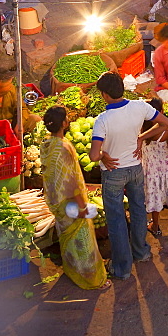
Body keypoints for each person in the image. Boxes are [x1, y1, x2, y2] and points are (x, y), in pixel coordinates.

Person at [89, 71, 168, 280]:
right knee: (137, 210)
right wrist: (141, 138)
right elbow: (166, 123)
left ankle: (122, 268)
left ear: (105, 95)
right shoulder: (139, 106)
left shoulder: (102, 120)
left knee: (116, 219)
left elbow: (92, 155)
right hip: (136, 169)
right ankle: (142, 252)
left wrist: (103, 156)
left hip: (114, 173)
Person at [41, 106, 109, 290]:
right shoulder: (65, 147)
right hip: (71, 202)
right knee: (84, 241)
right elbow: (71, 180)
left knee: (67, 238)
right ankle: (93, 280)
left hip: (55, 201)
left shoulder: (46, 144)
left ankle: (71, 270)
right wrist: (81, 205)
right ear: (63, 123)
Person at [139, 97, 168, 237]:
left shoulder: (140, 129)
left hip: (150, 170)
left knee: (155, 197)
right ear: (160, 112)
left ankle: (156, 226)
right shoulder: (166, 132)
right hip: (166, 169)